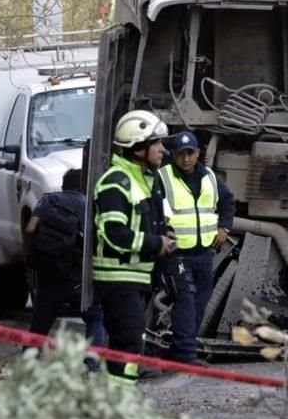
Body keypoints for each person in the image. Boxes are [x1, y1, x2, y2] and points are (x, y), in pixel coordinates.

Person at [92, 109, 176, 385]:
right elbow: (114, 233)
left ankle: (117, 401)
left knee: (129, 345)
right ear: (138, 147)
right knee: (127, 345)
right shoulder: (116, 182)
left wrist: (165, 234)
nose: (163, 149)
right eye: (157, 143)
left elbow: (146, 223)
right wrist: (156, 243)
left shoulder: (145, 180)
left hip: (135, 277)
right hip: (118, 278)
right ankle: (117, 403)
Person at [157, 131, 235, 364]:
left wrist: (224, 228)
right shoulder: (163, 177)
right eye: (181, 154)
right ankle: (185, 355)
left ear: (198, 153)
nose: (186, 159)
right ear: (174, 155)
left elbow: (228, 201)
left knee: (200, 302)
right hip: (177, 254)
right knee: (186, 300)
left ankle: (179, 349)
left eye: (190, 153)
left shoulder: (209, 177)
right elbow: (152, 208)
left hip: (203, 253)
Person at [24, 168, 104, 350]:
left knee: (40, 322)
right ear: (83, 185)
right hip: (77, 273)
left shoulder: (47, 200)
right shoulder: (87, 205)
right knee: (95, 315)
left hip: (49, 271)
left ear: (63, 184)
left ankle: (29, 361)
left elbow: (30, 228)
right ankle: (92, 364)